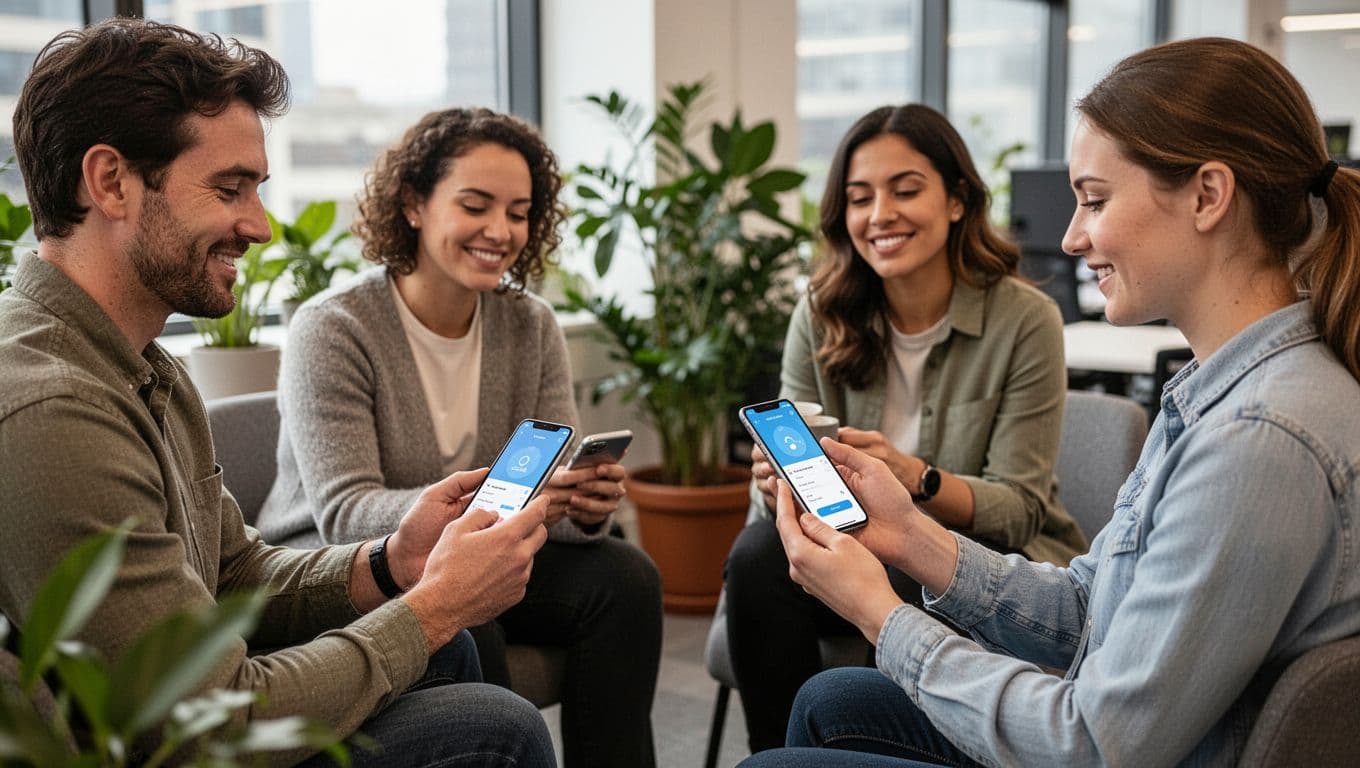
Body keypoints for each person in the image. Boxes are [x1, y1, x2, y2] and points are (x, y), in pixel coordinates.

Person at [741, 37, 1360, 768]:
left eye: (1095, 201)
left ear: (1208, 195)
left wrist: (883, 615)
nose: (1070, 237)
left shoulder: (1257, 441)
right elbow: (1092, 610)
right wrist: (912, 536)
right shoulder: (1217, 394)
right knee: (831, 701)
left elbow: (1092, 745)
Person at [0, 19, 556, 768]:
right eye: (230, 190)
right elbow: (195, 726)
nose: (258, 226)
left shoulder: (145, 367)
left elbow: (235, 575)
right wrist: (435, 605)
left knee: (450, 657)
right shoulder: (55, 409)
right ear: (110, 182)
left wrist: (393, 561)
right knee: (495, 723)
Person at [254, 107, 662, 767]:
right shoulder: (333, 329)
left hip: (485, 547)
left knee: (625, 577)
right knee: (473, 609)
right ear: (413, 203)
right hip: (347, 565)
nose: (500, 231)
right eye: (476, 205)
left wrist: (580, 504)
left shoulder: (530, 326)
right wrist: (498, 510)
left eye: (519, 212)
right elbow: (345, 512)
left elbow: (548, 501)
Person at [723, 102, 1087, 752]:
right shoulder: (821, 312)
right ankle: (779, 758)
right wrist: (774, 482)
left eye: (906, 189)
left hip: (973, 553)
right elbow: (781, 503)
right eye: (860, 198)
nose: (880, 214)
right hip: (849, 537)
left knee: (899, 560)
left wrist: (910, 479)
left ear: (956, 201)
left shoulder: (1025, 319)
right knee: (757, 556)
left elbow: (1020, 510)